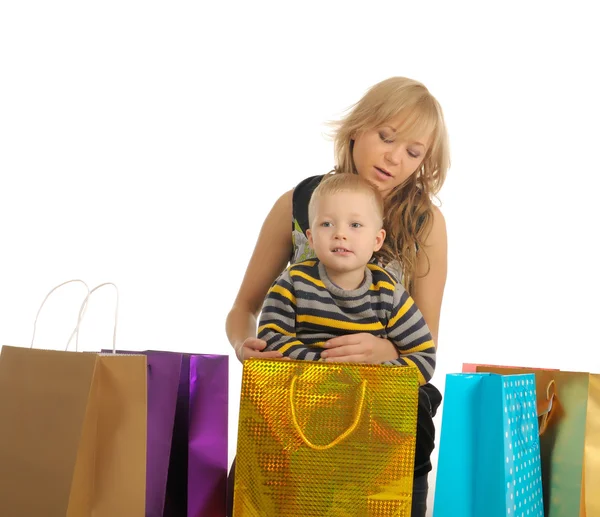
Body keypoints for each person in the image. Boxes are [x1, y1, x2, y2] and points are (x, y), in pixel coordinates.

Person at [226, 76, 450, 517]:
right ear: (356, 129)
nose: (394, 157)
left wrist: (385, 348)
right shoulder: (299, 202)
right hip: (295, 400)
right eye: (386, 136)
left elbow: (424, 345)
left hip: (382, 417)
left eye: (413, 151)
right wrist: (243, 345)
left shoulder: (426, 223)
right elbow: (244, 308)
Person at [258, 172, 436, 386]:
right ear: (311, 238)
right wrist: (323, 368)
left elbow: (425, 359)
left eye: (355, 225)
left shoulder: (389, 294)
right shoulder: (293, 283)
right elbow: (270, 339)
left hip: (368, 401)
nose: (340, 233)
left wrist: (368, 376)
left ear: (377, 240)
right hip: (305, 394)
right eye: (326, 224)